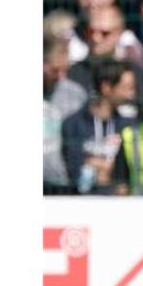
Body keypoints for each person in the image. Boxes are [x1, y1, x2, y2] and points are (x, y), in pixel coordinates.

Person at [61, 61, 138, 195]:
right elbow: (73, 171)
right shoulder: (74, 124)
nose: (132, 94)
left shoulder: (127, 126)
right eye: (127, 87)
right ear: (106, 87)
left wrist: (94, 164)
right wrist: (102, 169)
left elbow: (126, 179)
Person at [44, 33, 88, 193]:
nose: (61, 76)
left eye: (65, 70)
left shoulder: (74, 94)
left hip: (61, 185)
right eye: (55, 70)